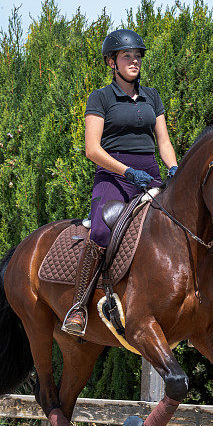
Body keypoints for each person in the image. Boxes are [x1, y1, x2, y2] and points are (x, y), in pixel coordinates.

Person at [62, 28, 178, 336]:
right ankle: (78, 306)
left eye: (138, 56)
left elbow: (163, 141)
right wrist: (126, 171)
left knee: (176, 226)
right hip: (114, 176)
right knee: (100, 228)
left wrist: (174, 167)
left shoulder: (152, 96)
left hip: (150, 174)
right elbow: (92, 149)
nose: (134, 61)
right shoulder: (100, 98)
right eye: (127, 56)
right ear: (111, 62)